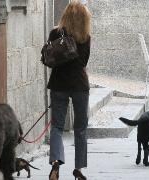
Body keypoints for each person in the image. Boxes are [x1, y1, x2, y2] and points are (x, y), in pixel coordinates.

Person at [46, 1, 91, 179]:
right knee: (80, 128)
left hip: (58, 84)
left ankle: (56, 163)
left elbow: (50, 57)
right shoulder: (85, 36)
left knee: (56, 126)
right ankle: (78, 169)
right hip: (79, 85)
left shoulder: (55, 33)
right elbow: (83, 62)